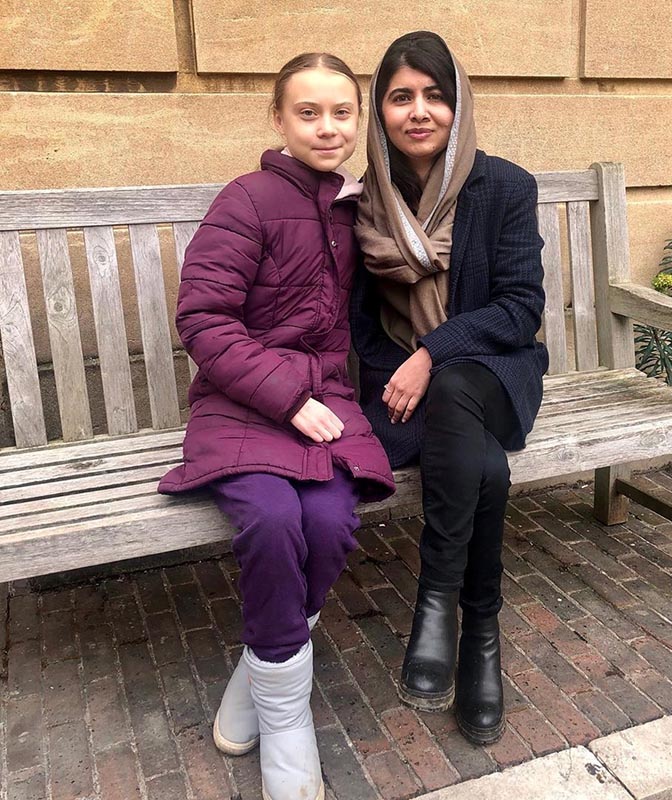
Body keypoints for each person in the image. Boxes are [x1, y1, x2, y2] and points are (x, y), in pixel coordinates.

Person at [159, 52, 394, 800]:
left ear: (358, 120)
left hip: (325, 404)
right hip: (242, 404)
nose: (327, 128)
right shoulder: (249, 200)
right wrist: (287, 398)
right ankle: (288, 724)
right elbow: (201, 317)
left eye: (341, 112)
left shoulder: (357, 208)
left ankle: (261, 672)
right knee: (268, 519)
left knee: (328, 523)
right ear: (278, 120)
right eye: (308, 112)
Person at [351, 31, 547, 745]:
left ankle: (435, 599)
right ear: (380, 112)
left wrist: (431, 351)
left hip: (496, 373)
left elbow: (520, 308)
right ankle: (481, 633)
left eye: (435, 94)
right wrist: (404, 366)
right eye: (401, 96)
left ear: (457, 103)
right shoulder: (363, 203)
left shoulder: (504, 187)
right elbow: (358, 328)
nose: (419, 110)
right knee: (483, 463)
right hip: (407, 389)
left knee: (459, 383)